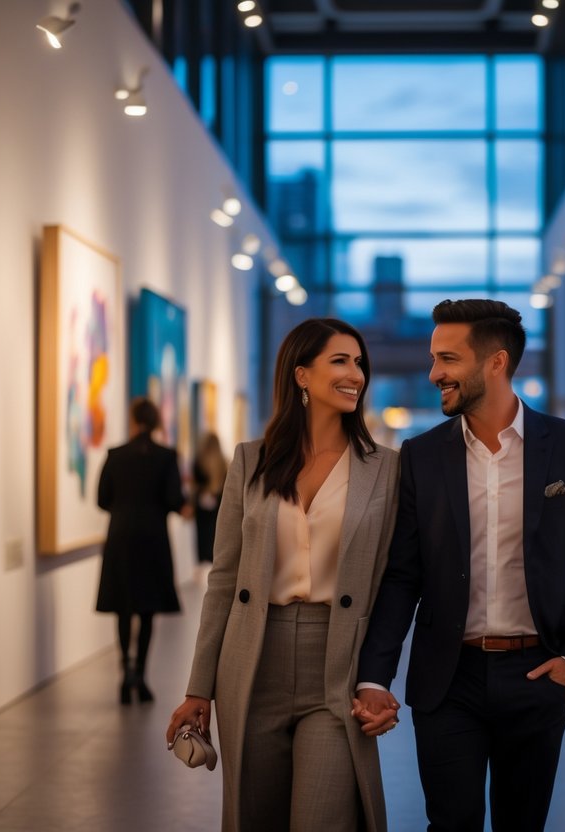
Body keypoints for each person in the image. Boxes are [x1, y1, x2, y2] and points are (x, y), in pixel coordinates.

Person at [353, 299, 565, 832]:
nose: (434, 374)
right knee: (450, 823)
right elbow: (403, 574)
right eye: (434, 360)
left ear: (496, 362)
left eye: (447, 360)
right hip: (447, 680)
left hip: (538, 673)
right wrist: (373, 675)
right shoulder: (422, 456)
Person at [167, 318, 400, 832]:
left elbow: (396, 581)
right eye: (340, 361)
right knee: (256, 818)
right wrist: (197, 687)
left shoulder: (386, 468)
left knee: (324, 817)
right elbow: (224, 579)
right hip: (252, 662)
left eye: (359, 363)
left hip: (336, 665)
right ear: (301, 374)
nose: (356, 374)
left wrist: (377, 678)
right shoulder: (251, 462)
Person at [96, 396, 186, 705]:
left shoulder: (116, 455)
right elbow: (175, 499)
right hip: (152, 538)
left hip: (121, 536)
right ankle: (143, 677)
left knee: (123, 607)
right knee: (146, 610)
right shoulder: (166, 456)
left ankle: (126, 671)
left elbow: (102, 498)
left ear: (134, 420)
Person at [192, 431, 228, 569]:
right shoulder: (224, 462)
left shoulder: (199, 460)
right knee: (216, 532)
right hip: (219, 504)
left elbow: (195, 483)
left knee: (202, 535)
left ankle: (202, 561)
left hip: (201, 506)